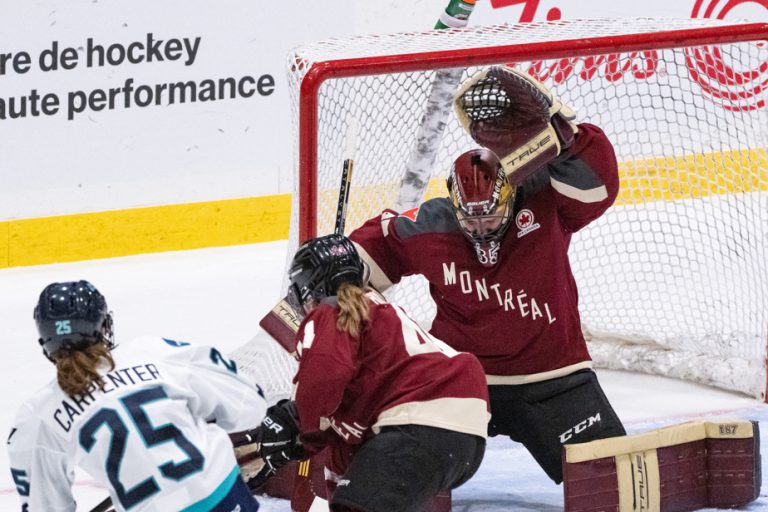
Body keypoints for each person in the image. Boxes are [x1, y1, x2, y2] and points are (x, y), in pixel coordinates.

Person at [346, 65, 626, 484]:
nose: (480, 229)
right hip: (459, 381)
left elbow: (599, 186)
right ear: (451, 204)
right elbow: (372, 249)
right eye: (469, 220)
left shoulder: (546, 203)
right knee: (394, 479)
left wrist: (566, 139)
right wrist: (337, 258)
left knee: (611, 485)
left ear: (513, 194)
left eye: (491, 217)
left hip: (554, 377)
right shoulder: (431, 223)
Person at [248, 234, 489, 512]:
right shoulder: (377, 309)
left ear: (305, 290)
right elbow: (352, 438)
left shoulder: (329, 312)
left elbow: (325, 376)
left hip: (418, 427)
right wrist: (308, 441)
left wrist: (298, 419)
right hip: (464, 438)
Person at [7, 280, 267, 512]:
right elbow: (250, 406)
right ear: (103, 326)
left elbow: (45, 505)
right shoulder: (155, 352)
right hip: (224, 495)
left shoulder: (38, 414)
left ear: (45, 340)